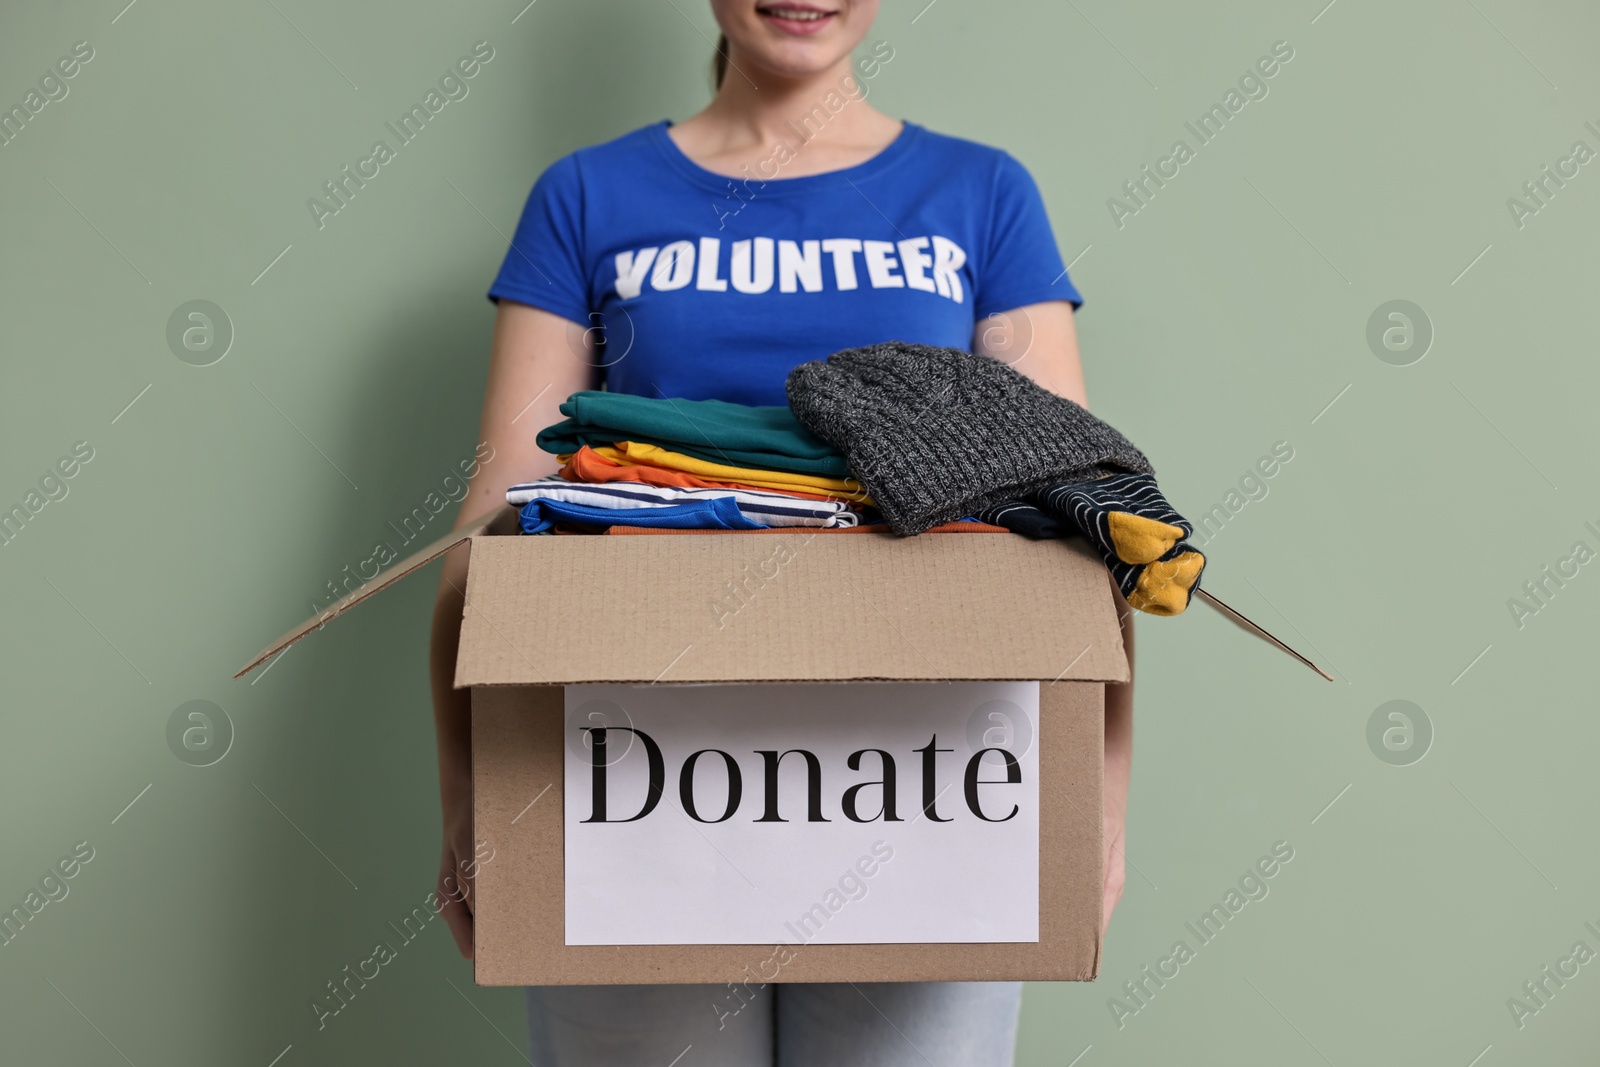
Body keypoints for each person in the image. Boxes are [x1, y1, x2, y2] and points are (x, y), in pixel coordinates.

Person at [429, 2, 1134, 1062]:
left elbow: (1080, 511)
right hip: (631, 761)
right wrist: (471, 790)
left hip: (928, 761)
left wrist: (1097, 795)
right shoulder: (586, 195)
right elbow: (498, 519)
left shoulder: (981, 193)